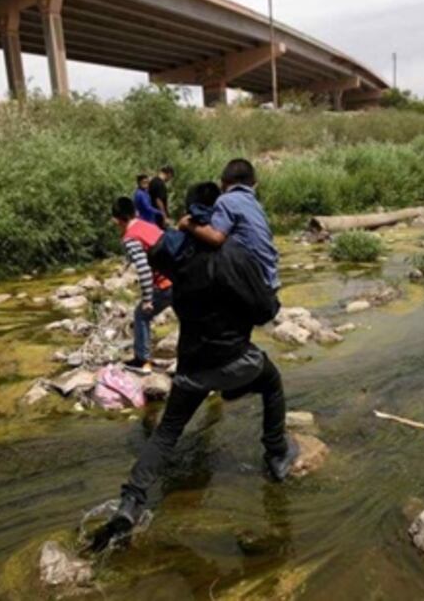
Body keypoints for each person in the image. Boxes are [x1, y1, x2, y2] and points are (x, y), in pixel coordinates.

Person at [89, 183, 296, 553]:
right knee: (272, 382)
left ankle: (130, 505)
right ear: (218, 212)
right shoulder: (236, 254)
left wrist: (181, 233)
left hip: (192, 368)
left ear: (188, 214)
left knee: (167, 433)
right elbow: (267, 311)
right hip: (237, 361)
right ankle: (277, 456)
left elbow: (158, 253)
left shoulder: (176, 256)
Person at [180, 159, 280, 291]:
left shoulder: (226, 200)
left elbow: (216, 238)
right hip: (270, 277)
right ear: (253, 183)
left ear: (223, 182)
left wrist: (187, 224)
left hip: (254, 281)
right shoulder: (255, 204)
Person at [111, 196, 172, 374]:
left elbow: (144, 270)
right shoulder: (148, 226)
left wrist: (147, 299)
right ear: (135, 212)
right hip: (180, 277)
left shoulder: (130, 237)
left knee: (141, 315)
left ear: (117, 220)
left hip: (165, 284)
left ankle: (143, 361)